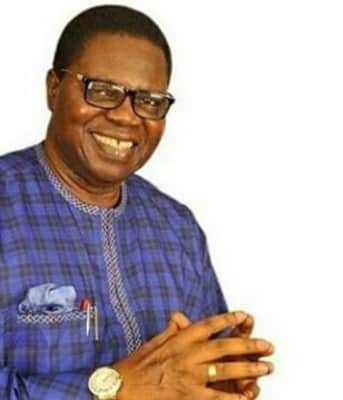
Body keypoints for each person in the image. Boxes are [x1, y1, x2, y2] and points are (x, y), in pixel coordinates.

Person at [0, 5, 274, 399]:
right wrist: (110, 389)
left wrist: (215, 383)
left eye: (149, 100)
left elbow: (191, 377)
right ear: (53, 88)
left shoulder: (176, 229)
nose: (128, 118)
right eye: (103, 91)